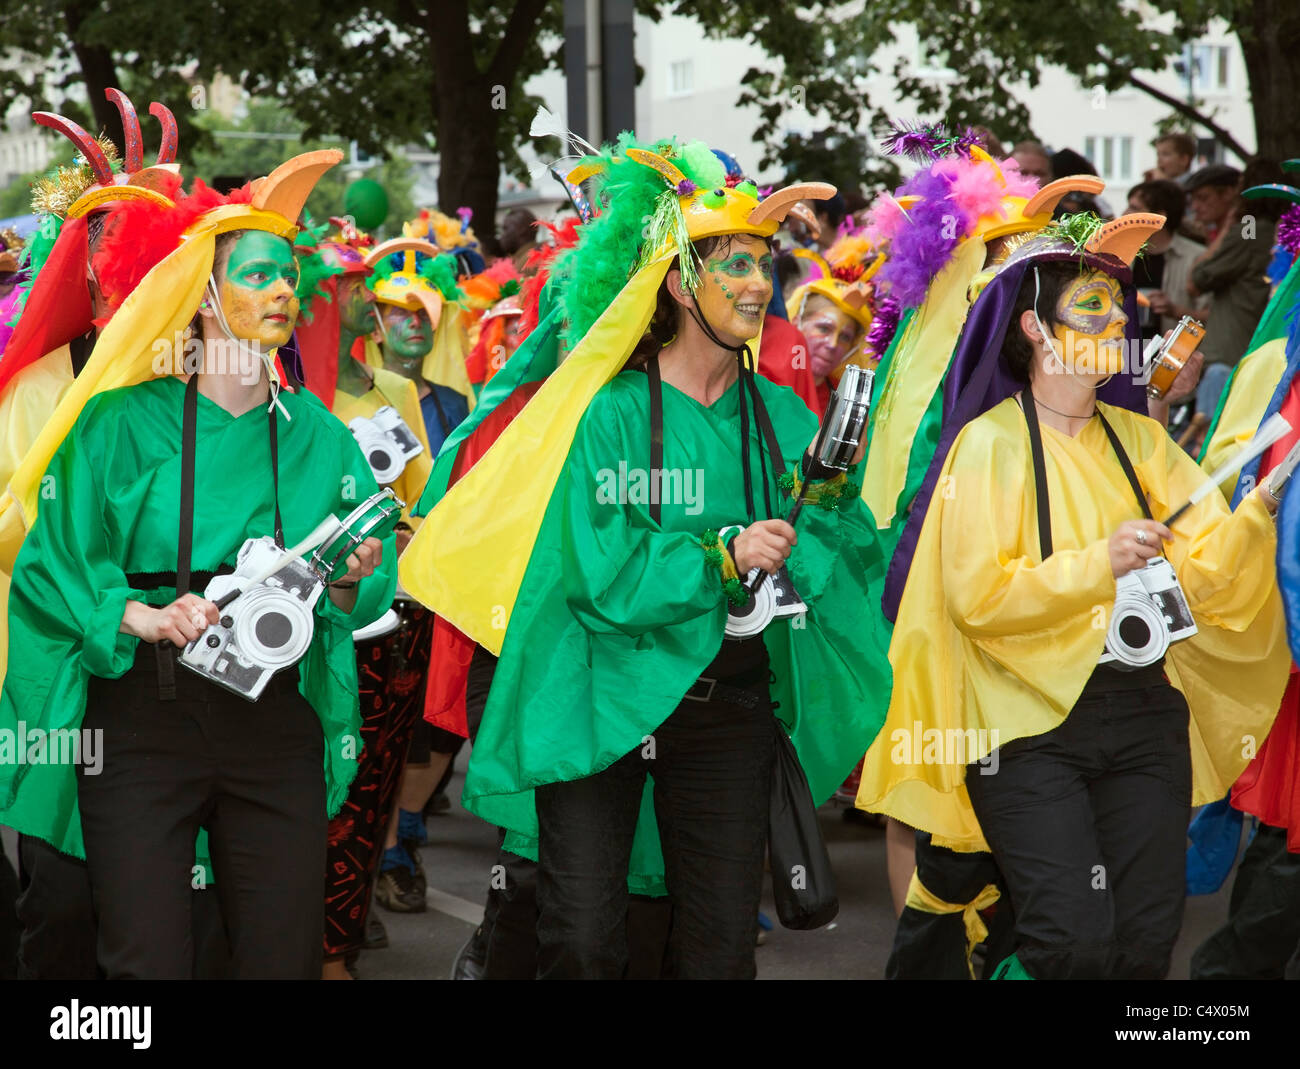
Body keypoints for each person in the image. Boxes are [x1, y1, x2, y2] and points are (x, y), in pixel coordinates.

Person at [399, 134, 891, 978]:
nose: (754, 284)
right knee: (586, 935)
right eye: (731, 264)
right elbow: (600, 569)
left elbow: (840, 556)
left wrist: (834, 509)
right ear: (675, 282)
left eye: (763, 265)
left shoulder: (782, 415)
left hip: (729, 707)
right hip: (600, 693)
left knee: (718, 944)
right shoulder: (609, 412)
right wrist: (722, 553)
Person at [857, 214, 1290, 980]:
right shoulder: (986, 445)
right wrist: (1103, 562)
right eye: (1092, 307)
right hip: (1026, 727)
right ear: (1034, 327)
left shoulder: (1143, 441)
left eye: (1118, 307)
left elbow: (1210, 569)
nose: (1119, 319)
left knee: (1145, 938)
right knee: (1071, 940)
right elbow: (977, 596)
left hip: (1143, 715)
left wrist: (1259, 508)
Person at [0, 150, 396, 980]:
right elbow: (51, 563)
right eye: (259, 274)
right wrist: (133, 613)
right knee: (145, 962)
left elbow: (368, 587)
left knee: (280, 956)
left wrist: (357, 571)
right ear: (204, 296)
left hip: (274, 719)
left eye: (291, 274)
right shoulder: (117, 423)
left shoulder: (320, 435)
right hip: (144, 711)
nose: (285, 289)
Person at [0, 90, 183, 981]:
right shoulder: (37, 386)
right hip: (57, 658)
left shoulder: (207, 384)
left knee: (171, 897)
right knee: (63, 891)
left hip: (180, 666)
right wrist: (70, 517)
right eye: (114, 248)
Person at [1188, 160, 1284, 421]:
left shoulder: (1251, 226)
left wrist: (1232, 226)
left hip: (1231, 352)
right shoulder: (1283, 231)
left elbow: (1198, 278)